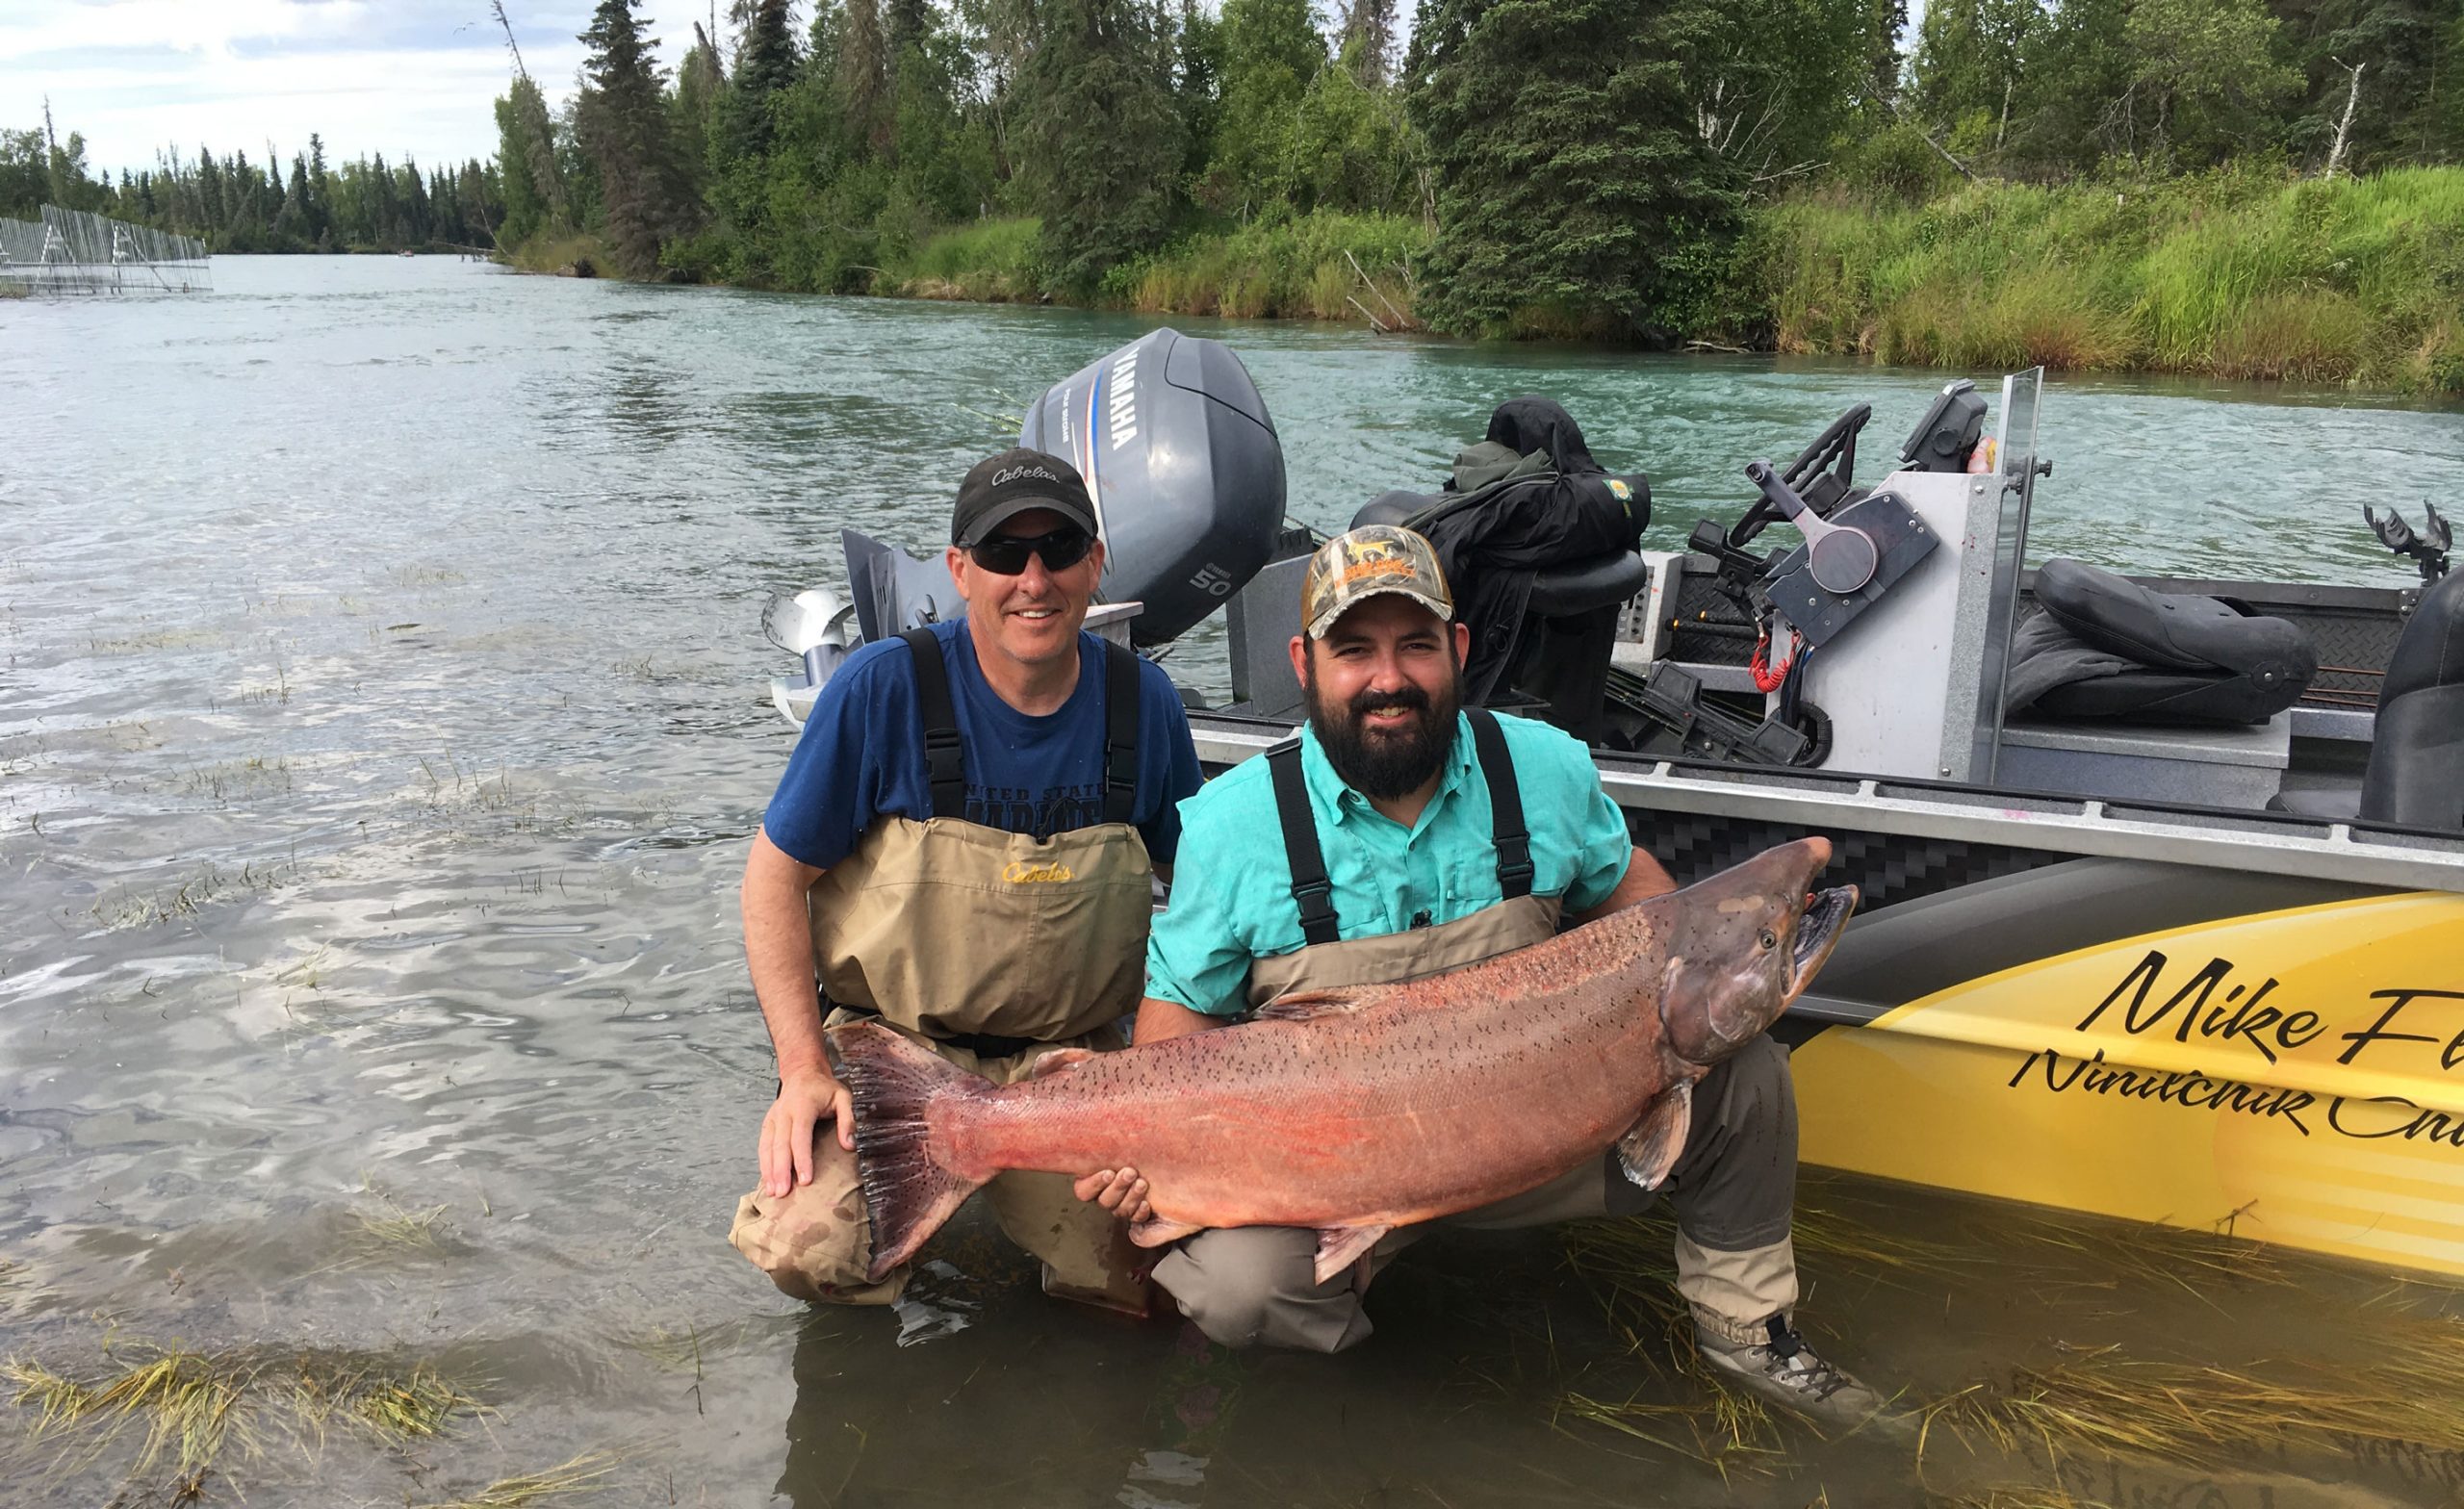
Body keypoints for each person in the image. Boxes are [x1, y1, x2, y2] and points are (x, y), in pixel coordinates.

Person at [1075, 524, 1884, 1423]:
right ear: (1305, 663)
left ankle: (1749, 1331)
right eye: (1355, 651)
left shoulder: (1544, 769)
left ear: (1457, 650)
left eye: (1416, 645)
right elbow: (1172, 1028)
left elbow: (1641, 902)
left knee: (1749, 1077)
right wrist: (1140, 1151)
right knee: (1240, 1291)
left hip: (1535, 1136)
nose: (1389, 678)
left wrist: (1715, 966)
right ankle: (1374, 1406)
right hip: (1333, 1171)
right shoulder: (1230, 825)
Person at [731, 447, 1203, 1314]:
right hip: (896, 1053)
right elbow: (770, 881)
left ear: (1096, 565)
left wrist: (1165, 1077)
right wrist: (802, 1069)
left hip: (1076, 1066)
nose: (1034, 578)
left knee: (1152, 1287)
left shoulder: (1149, 704)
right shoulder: (881, 691)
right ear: (959, 570)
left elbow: (1207, 908)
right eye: (1002, 555)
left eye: (1060, 549)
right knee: (811, 1249)